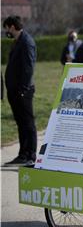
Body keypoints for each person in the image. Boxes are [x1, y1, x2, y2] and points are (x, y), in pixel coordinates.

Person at [3, 16, 37, 166]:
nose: (6, 31)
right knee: (21, 123)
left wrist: (23, 89)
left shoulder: (26, 42)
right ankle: (22, 154)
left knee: (28, 123)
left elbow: (29, 67)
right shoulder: (18, 41)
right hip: (14, 90)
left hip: (23, 91)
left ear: (12, 27)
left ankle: (30, 155)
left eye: (6, 28)